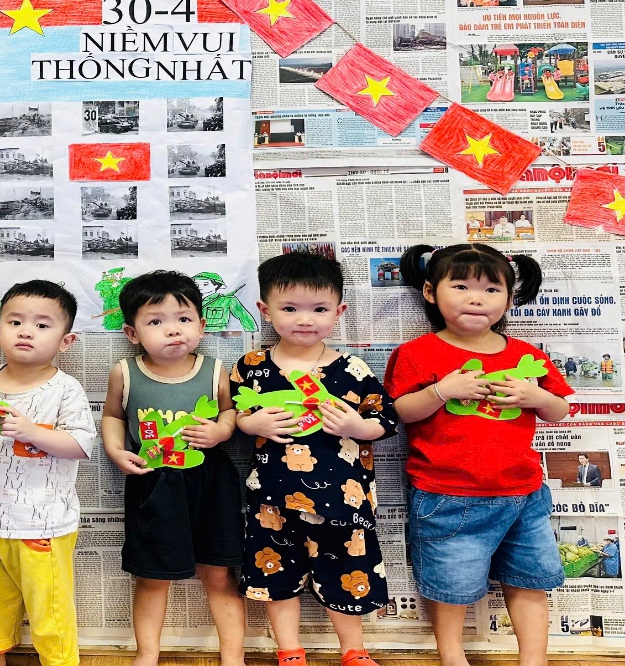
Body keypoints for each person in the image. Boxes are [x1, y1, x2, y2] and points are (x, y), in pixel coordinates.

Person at [386, 243, 573, 666]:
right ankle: (452, 656)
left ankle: (534, 659)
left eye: (492, 289)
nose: (476, 298)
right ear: (431, 292)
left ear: (509, 298)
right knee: (450, 586)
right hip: (447, 494)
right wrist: (440, 392)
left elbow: (560, 411)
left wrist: (535, 394)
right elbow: (399, 411)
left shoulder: (527, 355)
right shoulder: (418, 353)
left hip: (523, 493)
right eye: (461, 286)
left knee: (530, 580)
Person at [236, 253, 399, 666]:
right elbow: (234, 414)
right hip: (272, 501)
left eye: (319, 309)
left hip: (344, 501)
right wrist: (251, 424)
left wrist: (358, 428)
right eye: (289, 308)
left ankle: (353, 650)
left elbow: (386, 418)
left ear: (339, 312)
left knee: (349, 574)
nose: (304, 319)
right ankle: (289, 651)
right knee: (277, 577)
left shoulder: (352, 369)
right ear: (265, 310)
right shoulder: (252, 367)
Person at [0, 281, 96, 666]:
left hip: (40, 525)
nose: (26, 331)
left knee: (49, 603)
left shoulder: (65, 389)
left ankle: (60, 661)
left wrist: (31, 432)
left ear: (66, 341)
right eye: (15, 322)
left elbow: (80, 446)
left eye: (43, 325)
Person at [102, 272, 246, 666]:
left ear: (201, 325)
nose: (172, 330)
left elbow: (231, 411)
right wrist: (116, 450)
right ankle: (147, 655)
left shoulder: (215, 370)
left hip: (211, 480)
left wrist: (220, 430)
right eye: (156, 321)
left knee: (218, 574)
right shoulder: (125, 372)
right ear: (133, 333)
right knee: (152, 576)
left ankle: (233, 656)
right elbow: (113, 415)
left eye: (183, 319)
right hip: (154, 482)